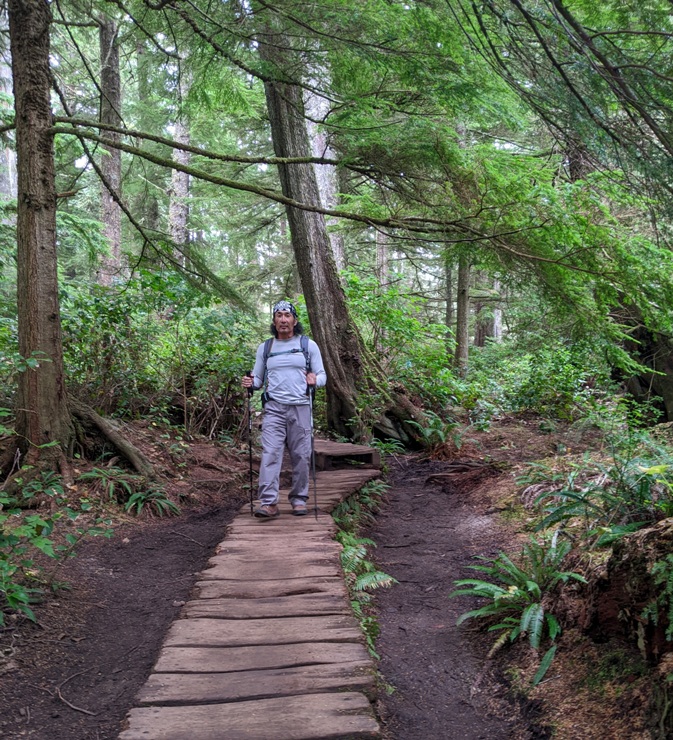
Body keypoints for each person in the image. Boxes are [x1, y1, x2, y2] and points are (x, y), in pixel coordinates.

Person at [242, 301, 327, 518]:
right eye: (278, 315)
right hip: (274, 409)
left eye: (287, 315)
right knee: (270, 454)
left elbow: (322, 375)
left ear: (294, 321)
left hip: (301, 407)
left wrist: (314, 380)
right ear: (273, 321)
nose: (283, 319)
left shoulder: (308, 346)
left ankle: (299, 499)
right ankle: (269, 503)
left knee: (301, 455)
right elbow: (258, 378)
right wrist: (251, 383)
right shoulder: (266, 348)